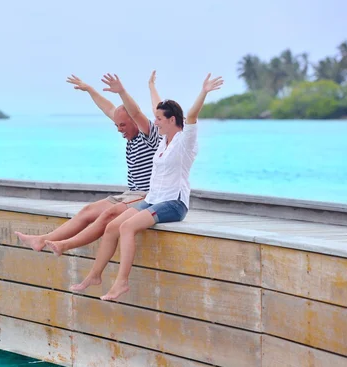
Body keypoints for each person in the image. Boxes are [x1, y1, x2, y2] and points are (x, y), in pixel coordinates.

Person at [69, 72, 224, 301]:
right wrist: (151, 85)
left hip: (173, 203)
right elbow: (155, 107)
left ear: (172, 120)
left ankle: (121, 283)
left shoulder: (185, 141)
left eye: (160, 119)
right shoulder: (162, 139)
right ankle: (94, 276)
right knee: (112, 227)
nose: (156, 121)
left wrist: (203, 91)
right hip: (153, 199)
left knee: (126, 228)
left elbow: (191, 115)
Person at [15, 74, 161, 264]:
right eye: (116, 125)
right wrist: (90, 90)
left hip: (145, 195)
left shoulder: (148, 136)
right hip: (130, 193)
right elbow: (109, 108)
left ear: (134, 121)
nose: (119, 129)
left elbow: (136, 112)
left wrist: (122, 92)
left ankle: (64, 244)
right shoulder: (128, 133)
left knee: (106, 215)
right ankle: (42, 239)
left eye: (123, 125)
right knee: (88, 210)